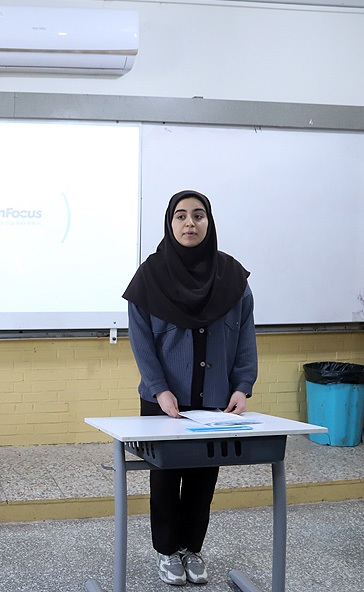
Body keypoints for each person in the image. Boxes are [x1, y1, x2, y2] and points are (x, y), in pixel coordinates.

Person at [122, 190, 257, 586]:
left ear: (209, 223)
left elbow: (245, 336)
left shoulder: (232, 277)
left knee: (202, 479)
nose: (190, 223)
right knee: (165, 479)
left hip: (216, 402)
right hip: (164, 401)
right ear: (170, 223)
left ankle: (192, 548)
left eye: (199, 215)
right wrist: (159, 388)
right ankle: (167, 551)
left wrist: (242, 385)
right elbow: (141, 341)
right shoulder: (150, 277)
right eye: (180, 216)